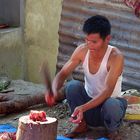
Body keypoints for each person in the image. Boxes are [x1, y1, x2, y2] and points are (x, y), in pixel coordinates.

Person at [46, 15, 127, 140]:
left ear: (107, 39)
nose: (89, 45)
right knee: (72, 86)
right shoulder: (82, 50)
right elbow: (62, 74)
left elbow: (107, 92)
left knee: (112, 104)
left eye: (94, 42)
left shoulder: (116, 57)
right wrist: (54, 90)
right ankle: (82, 125)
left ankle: (112, 131)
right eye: (87, 40)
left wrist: (83, 108)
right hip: (89, 107)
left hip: (108, 109)